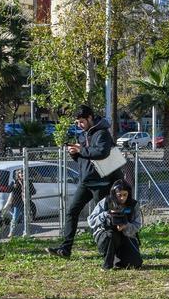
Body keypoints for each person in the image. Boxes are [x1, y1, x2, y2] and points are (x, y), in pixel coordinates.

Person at [49, 105, 119, 259]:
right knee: (71, 212)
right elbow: (84, 158)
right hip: (86, 182)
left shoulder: (102, 133)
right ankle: (65, 249)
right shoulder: (82, 136)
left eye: (82, 121)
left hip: (102, 182)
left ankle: (111, 249)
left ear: (90, 118)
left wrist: (81, 150)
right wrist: (74, 153)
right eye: (77, 122)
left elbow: (102, 152)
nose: (79, 125)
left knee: (105, 216)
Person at [88, 179, 143, 270]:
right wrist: (106, 214)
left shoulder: (133, 205)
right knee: (111, 234)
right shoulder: (105, 202)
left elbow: (137, 225)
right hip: (106, 236)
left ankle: (117, 259)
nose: (122, 198)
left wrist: (126, 226)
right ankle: (107, 264)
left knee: (135, 264)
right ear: (114, 194)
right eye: (119, 195)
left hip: (126, 235)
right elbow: (91, 220)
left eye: (125, 195)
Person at [5, 169, 35, 238]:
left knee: (26, 217)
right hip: (17, 203)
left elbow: (33, 191)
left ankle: (26, 232)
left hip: (25, 202)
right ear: (17, 174)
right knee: (15, 217)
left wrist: (28, 190)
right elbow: (8, 190)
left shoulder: (28, 182)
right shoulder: (14, 182)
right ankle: (11, 232)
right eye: (20, 173)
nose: (21, 175)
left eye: (23, 173)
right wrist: (13, 187)